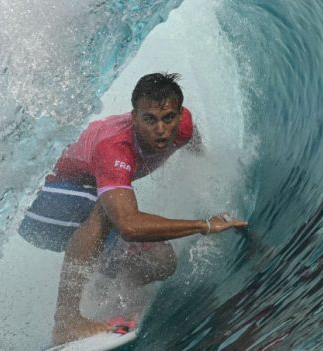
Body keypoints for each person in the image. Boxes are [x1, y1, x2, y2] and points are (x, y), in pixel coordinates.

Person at [18, 72, 248, 345]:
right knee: (111, 210)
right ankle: (66, 320)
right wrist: (204, 225)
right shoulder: (115, 147)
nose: (161, 129)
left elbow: (196, 149)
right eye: (149, 119)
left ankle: (109, 299)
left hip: (80, 204)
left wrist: (209, 177)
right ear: (134, 117)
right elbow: (129, 225)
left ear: (178, 115)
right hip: (41, 205)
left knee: (161, 260)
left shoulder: (183, 126)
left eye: (168, 118)